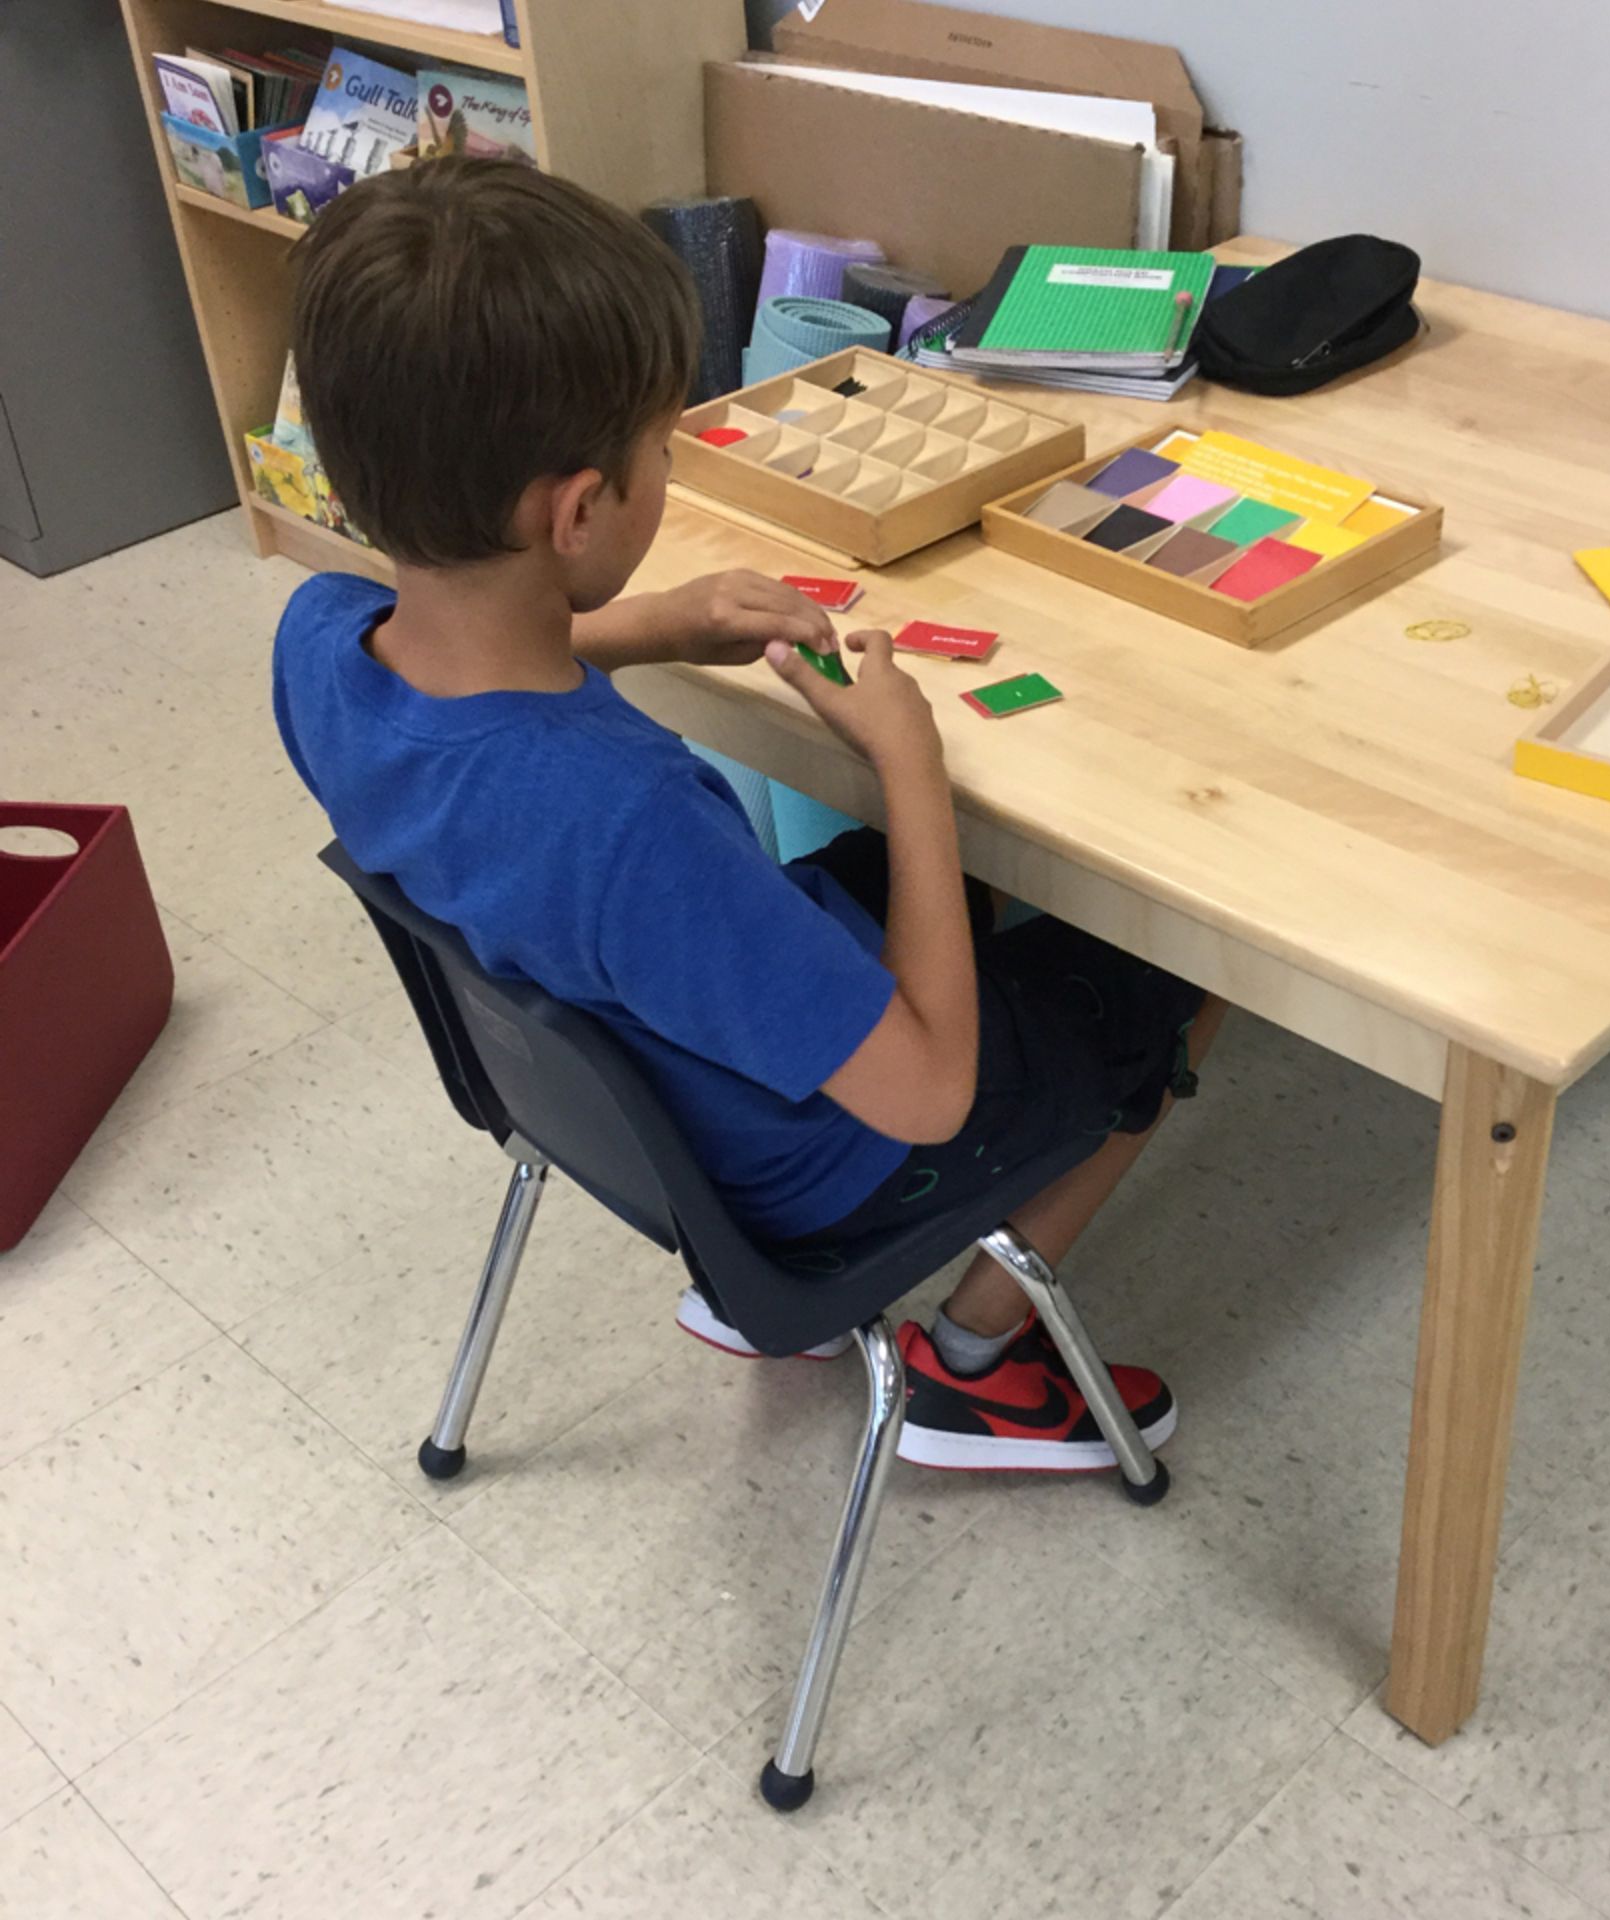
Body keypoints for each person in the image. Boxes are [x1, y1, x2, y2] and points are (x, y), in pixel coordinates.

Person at [272, 160, 1225, 1473]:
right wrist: (910, 764)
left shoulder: (316, 641)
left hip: (641, 1121)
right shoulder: (629, 822)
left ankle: (814, 1312)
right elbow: (932, 1095)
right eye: (660, 446)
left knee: (902, 885)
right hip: (812, 1180)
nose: (666, 462)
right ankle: (978, 1366)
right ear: (581, 510)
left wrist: (649, 624)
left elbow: (470, 704)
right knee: (1175, 969)